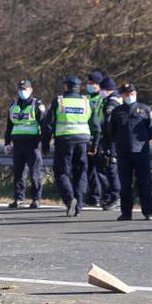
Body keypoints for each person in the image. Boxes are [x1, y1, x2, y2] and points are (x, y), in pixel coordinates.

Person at [42, 75, 100, 217]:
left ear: (66, 86)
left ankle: (69, 199)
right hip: (83, 142)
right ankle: (78, 205)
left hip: (64, 141)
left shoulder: (59, 101)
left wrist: (45, 145)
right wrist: (95, 145)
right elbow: (96, 127)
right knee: (81, 173)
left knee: (62, 172)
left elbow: (48, 125)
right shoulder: (86, 102)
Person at [109, 83, 152, 221]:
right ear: (122, 95)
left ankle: (148, 212)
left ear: (135, 93)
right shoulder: (117, 111)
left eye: (131, 93)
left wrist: (142, 142)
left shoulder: (145, 109)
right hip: (123, 153)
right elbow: (112, 132)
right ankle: (126, 213)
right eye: (126, 94)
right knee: (125, 185)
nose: (129, 96)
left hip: (141, 152)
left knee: (144, 183)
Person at [4, 79, 45, 208]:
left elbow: (43, 125)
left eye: (24, 89)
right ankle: (18, 198)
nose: (22, 92)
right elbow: (9, 126)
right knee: (18, 173)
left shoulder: (37, 105)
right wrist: (7, 143)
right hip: (17, 144)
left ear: (31, 90)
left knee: (35, 173)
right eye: (20, 89)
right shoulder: (14, 105)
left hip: (33, 144)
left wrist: (43, 143)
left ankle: (36, 199)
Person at [95, 76, 122, 210]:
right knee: (106, 168)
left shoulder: (111, 103)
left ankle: (116, 197)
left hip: (110, 141)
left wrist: (105, 138)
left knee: (111, 168)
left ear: (107, 89)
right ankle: (110, 196)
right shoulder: (110, 100)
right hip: (108, 140)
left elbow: (108, 123)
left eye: (101, 89)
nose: (100, 91)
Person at [85, 71, 105, 206]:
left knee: (101, 169)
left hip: (100, 137)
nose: (89, 85)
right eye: (88, 83)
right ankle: (94, 196)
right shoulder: (85, 98)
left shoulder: (102, 99)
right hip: (86, 136)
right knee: (89, 169)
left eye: (92, 83)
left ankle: (105, 195)